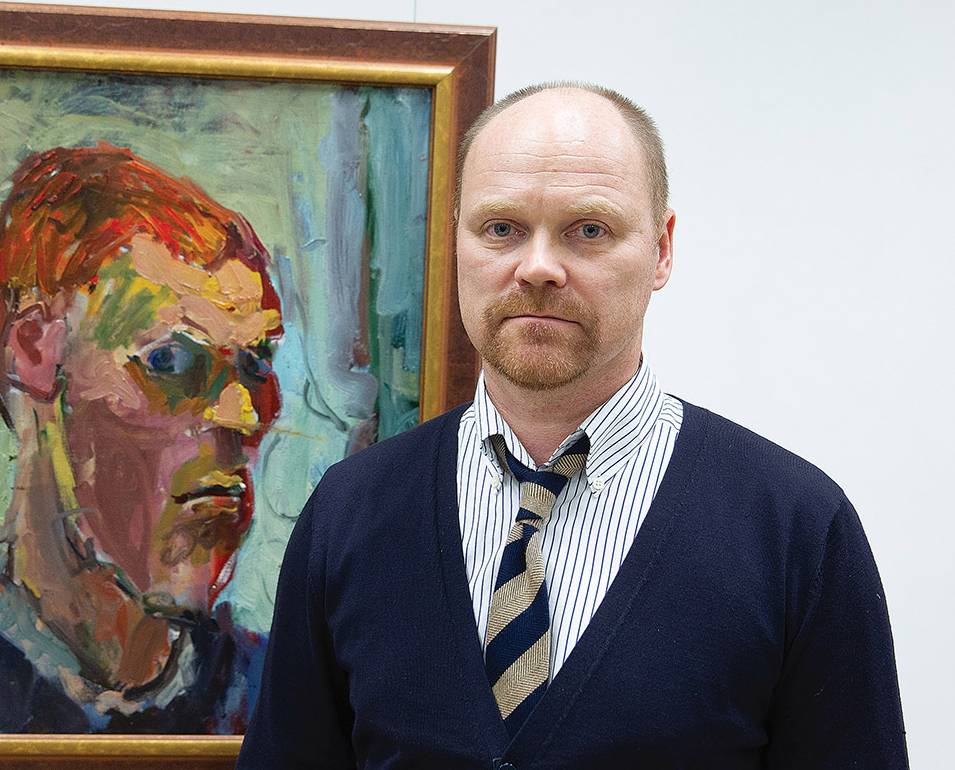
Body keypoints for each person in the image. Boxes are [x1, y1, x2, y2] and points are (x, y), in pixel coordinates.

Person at [237, 83, 908, 768]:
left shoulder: (797, 529)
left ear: (662, 249)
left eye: (588, 230)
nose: (537, 268)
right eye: (501, 228)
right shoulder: (348, 513)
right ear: (456, 240)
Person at [0, 142, 284, 734]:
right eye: (171, 360)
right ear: (34, 353)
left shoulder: (275, 696)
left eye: (255, 366)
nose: (246, 415)